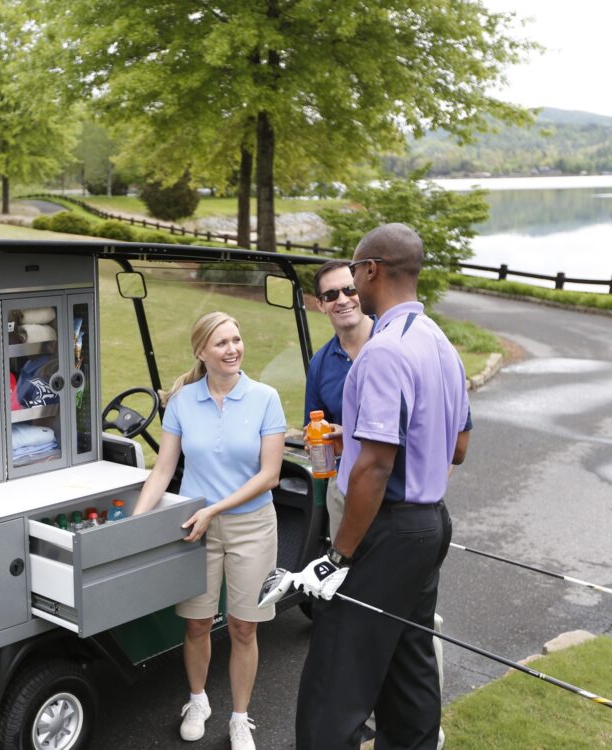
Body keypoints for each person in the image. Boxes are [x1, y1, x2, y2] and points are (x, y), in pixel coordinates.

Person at [265, 223, 472, 749]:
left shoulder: (383, 351)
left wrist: (338, 555)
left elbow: (375, 467)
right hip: (430, 524)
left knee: (334, 680)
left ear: (373, 269)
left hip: (387, 529)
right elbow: (458, 447)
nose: (352, 285)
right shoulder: (439, 341)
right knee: (408, 663)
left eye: (355, 273)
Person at [133, 311, 287, 750]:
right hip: (197, 528)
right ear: (201, 351)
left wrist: (214, 509)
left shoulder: (265, 398)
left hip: (252, 526)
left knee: (243, 626)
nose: (233, 349)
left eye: (237, 339)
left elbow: (269, 474)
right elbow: (163, 470)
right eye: (221, 343)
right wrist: (136, 527)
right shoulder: (182, 402)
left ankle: (240, 717)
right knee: (197, 624)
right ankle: (197, 700)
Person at [303, 259, 374, 538]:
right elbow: (315, 429)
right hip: (344, 491)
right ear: (320, 304)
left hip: (399, 490)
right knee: (346, 578)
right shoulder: (319, 364)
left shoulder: (394, 341)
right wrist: (315, 439)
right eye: (331, 295)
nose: (343, 300)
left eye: (349, 290)